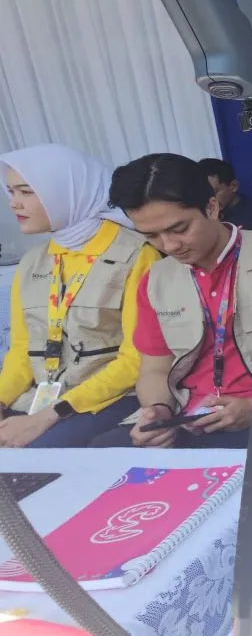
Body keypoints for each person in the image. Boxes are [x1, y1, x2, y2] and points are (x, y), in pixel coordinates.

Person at [90, 153, 252, 448]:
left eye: (179, 229)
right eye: (151, 236)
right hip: (189, 416)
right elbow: (155, 368)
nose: (169, 245)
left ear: (212, 207)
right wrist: (158, 410)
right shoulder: (157, 280)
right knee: (102, 452)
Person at [0, 144, 157, 447]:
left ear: (67, 191)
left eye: (26, 192)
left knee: (33, 455)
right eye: (11, 192)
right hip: (42, 398)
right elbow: (21, 350)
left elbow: (136, 359)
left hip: (108, 398)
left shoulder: (137, 254)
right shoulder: (33, 261)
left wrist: (47, 416)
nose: (14, 203)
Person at [201, 157, 252, 230]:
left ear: (233, 186)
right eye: (203, 194)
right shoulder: (201, 217)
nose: (209, 200)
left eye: (213, 193)